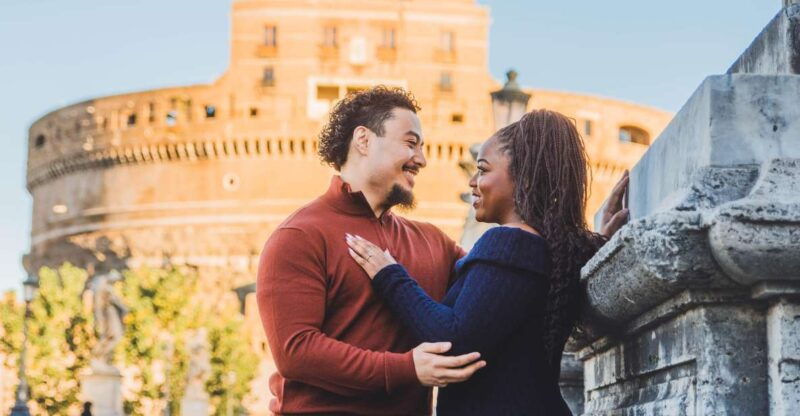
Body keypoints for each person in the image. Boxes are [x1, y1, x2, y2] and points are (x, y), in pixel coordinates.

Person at [346, 109, 629, 415]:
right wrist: (599, 241)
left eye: (482, 170)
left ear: (523, 179)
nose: (472, 181)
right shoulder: (552, 249)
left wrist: (390, 275)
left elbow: (452, 342)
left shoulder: (509, 243)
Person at [256, 86, 487, 415]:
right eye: (410, 143)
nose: (422, 160)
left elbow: (492, 289)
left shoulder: (434, 243)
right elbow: (297, 351)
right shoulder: (299, 236)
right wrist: (407, 368)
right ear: (363, 140)